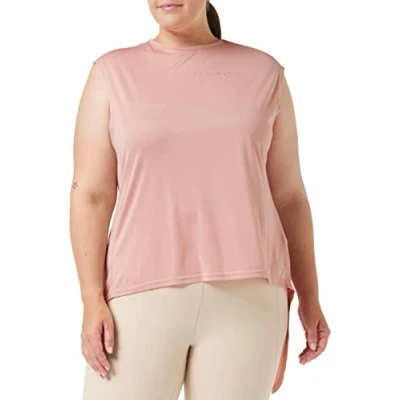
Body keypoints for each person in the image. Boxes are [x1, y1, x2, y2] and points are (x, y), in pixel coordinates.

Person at [70, 1, 331, 399]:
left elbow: (289, 197)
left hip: (249, 299)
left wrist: (309, 298)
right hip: (139, 297)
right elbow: (90, 195)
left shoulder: (264, 73)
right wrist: (92, 300)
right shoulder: (111, 73)